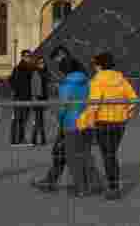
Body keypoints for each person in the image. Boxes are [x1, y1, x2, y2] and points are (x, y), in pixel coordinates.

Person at [33, 57, 100, 195]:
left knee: (71, 156)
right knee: (83, 154)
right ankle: (94, 183)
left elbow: (64, 107)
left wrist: (59, 118)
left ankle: (81, 188)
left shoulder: (66, 84)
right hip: (87, 122)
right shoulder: (88, 81)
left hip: (70, 123)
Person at [76, 52, 137, 200]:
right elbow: (133, 98)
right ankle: (113, 185)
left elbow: (94, 105)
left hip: (104, 121)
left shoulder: (97, 81)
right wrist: (127, 114)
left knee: (108, 155)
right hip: (120, 122)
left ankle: (113, 187)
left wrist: (81, 121)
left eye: (95, 65)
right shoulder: (121, 79)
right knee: (112, 154)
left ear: (99, 65)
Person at [9, 50, 34, 146]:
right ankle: (18, 140)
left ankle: (16, 140)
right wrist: (18, 90)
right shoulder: (21, 68)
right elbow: (11, 81)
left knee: (20, 119)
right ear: (23, 57)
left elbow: (11, 81)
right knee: (20, 119)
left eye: (30, 56)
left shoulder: (25, 68)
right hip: (22, 97)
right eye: (27, 56)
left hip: (22, 97)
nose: (29, 58)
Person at [31, 55, 50, 146]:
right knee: (39, 120)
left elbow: (46, 86)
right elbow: (33, 87)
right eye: (40, 63)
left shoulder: (45, 73)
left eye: (43, 62)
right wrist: (34, 99)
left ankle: (38, 139)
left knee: (40, 120)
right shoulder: (35, 73)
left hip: (43, 98)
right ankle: (39, 139)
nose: (42, 64)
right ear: (37, 64)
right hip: (37, 98)